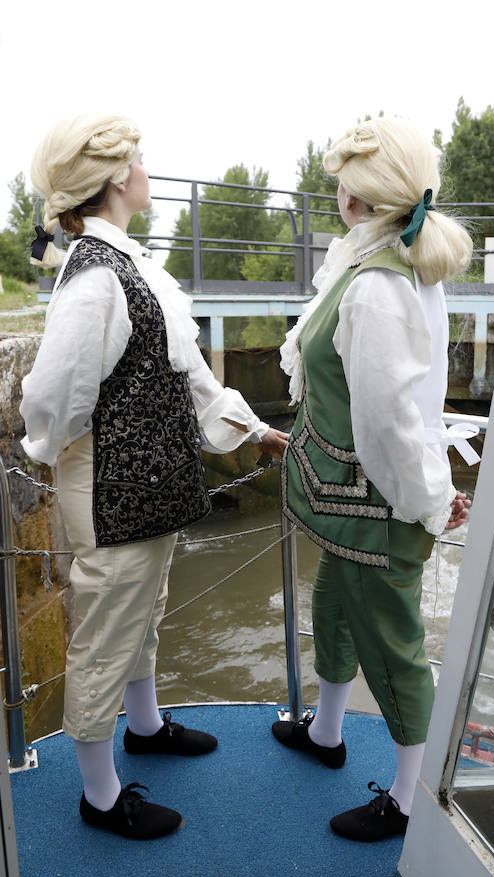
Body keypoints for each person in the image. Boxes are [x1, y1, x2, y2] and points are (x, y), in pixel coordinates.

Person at [21, 112, 288, 840]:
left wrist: (254, 431)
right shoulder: (96, 281)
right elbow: (50, 402)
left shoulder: (129, 268)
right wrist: (100, 452)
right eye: (139, 162)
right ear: (114, 180)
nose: (147, 171)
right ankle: (101, 796)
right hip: (110, 492)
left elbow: (190, 376)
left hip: (146, 487)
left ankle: (143, 726)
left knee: (144, 612)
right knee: (106, 632)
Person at [274, 117, 476, 842]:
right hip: (346, 499)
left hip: (374, 502)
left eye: (338, 182)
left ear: (356, 199)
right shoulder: (383, 264)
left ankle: (409, 796)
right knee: (332, 604)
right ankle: (327, 732)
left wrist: (426, 503)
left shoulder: (376, 288)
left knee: (392, 644)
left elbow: (390, 423)